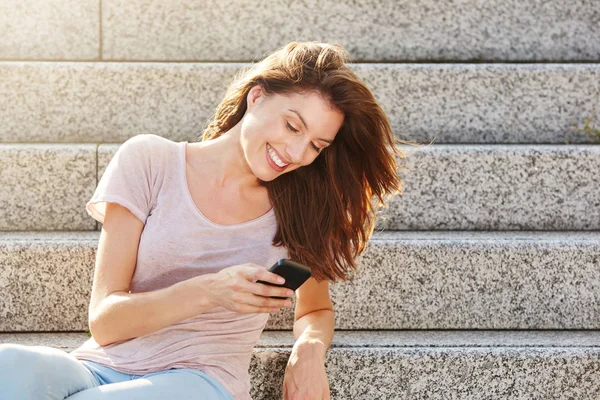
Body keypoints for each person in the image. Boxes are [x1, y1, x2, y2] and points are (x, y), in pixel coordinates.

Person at [0, 41, 413, 400]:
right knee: (9, 366)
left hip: (199, 382)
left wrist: (307, 352)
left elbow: (315, 310)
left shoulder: (304, 211)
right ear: (257, 97)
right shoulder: (149, 161)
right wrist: (211, 291)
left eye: (316, 145)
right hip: (101, 367)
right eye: (292, 125)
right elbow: (105, 322)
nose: (296, 152)